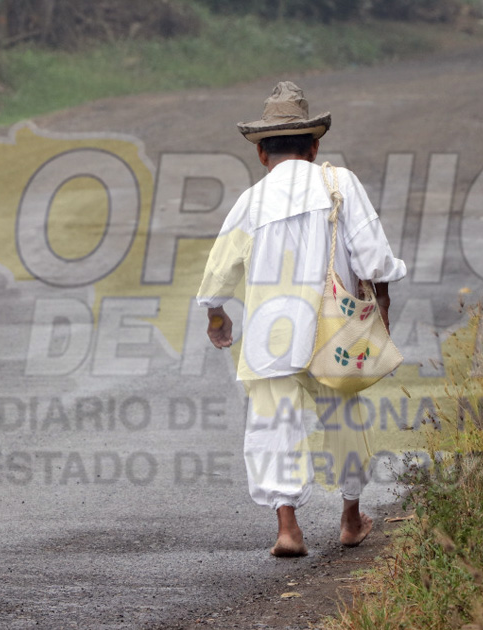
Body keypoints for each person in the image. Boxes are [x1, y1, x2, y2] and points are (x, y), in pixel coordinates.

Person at [196, 81, 407, 557]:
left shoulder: (252, 201)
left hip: (270, 335)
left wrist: (217, 314)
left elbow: (220, 269)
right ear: (314, 147)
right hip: (333, 328)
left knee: (274, 424)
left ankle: (288, 528)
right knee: (344, 416)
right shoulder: (340, 183)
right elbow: (373, 258)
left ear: (261, 154)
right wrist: (382, 307)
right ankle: (350, 519)